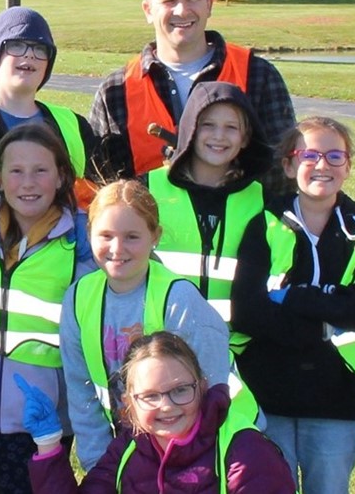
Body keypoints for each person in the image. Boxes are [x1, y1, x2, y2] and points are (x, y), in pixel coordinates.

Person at [228, 116, 355, 494]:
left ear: (348, 166)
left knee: (329, 486)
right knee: (271, 484)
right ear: (288, 165)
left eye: (335, 156)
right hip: (269, 392)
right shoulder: (264, 227)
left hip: (335, 399)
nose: (323, 165)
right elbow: (249, 310)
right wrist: (325, 319)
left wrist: (297, 297)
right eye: (309, 154)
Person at [0, 123, 97, 493]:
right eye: (16, 171)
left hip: (42, 414)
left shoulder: (79, 242)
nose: (27, 183)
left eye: (40, 171)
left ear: (61, 176)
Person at [59, 180, 234, 470]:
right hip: (130, 450)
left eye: (131, 237)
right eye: (105, 236)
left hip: (196, 452)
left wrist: (184, 468)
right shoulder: (78, 297)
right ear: (89, 234)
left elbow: (213, 395)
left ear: (155, 236)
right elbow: (81, 392)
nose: (117, 248)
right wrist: (99, 468)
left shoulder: (179, 299)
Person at [86, 0, 295, 188]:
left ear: (209, 3)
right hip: (153, 223)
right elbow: (99, 188)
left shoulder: (258, 76)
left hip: (243, 223)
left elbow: (283, 174)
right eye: (169, 0)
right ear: (147, 10)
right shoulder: (116, 91)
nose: (181, 10)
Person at [24, 331, 294, 493]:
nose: (166, 405)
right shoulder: (127, 448)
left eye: (180, 390)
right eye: (150, 396)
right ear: (129, 401)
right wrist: (48, 444)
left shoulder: (245, 451)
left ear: (202, 386)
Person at [141, 81, 275, 353]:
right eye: (208, 125)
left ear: (246, 138)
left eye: (231, 128)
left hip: (237, 353)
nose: (219, 136)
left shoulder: (262, 201)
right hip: (158, 349)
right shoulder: (147, 191)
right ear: (190, 129)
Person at [0, 7, 97, 205]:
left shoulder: (74, 125)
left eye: (40, 48)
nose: (30, 55)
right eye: (17, 45)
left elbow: (97, 194)